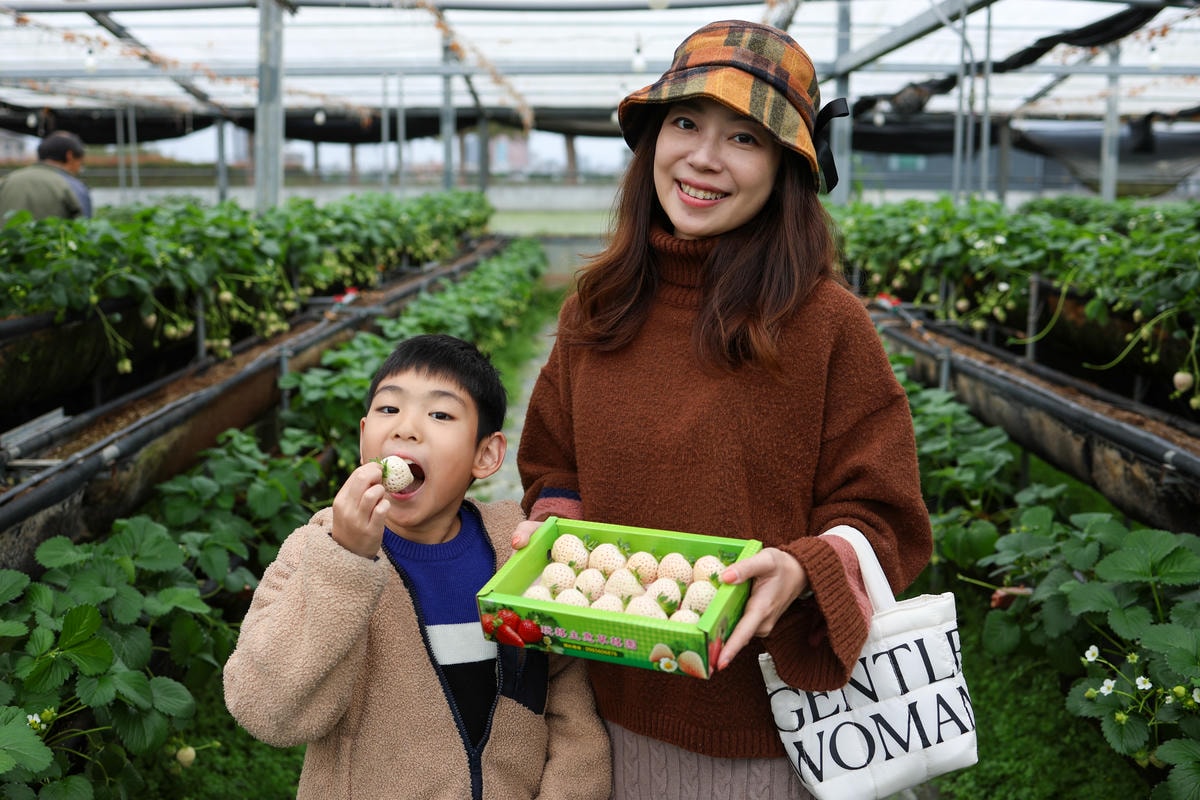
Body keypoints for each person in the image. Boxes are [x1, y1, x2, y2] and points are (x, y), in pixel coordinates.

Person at [512, 19, 933, 799]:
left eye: (744, 138)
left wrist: (805, 569)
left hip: (766, 731)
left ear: (785, 169)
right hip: (603, 714)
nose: (703, 157)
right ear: (651, 142)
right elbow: (552, 460)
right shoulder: (597, 311)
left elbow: (886, 513)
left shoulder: (823, 324)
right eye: (684, 123)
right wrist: (558, 531)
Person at [223, 334, 611, 800]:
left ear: (485, 455)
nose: (406, 429)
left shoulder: (516, 550)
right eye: (389, 410)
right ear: (364, 435)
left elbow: (567, 700)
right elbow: (270, 711)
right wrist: (347, 559)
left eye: (440, 414)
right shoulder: (317, 553)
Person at [0, 130, 93, 220]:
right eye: (81, 162)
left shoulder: (6, 181)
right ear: (70, 156)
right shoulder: (73, 187)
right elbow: (83, 228)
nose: (80, 169)